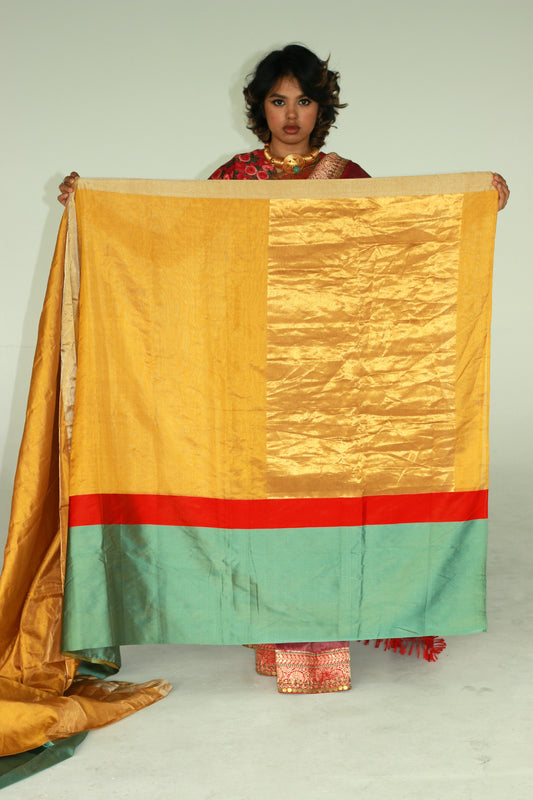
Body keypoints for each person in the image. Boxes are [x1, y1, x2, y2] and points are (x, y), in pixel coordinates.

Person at [57, 44, 510, 694]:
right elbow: (177, 247)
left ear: (320, 107)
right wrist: (95, 210)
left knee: (322, 494)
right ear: (259, 106)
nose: (290, 113)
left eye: (302, 100)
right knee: (259, 499)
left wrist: (471, 206)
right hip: (245, 365)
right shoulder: (234, 177)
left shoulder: (346, 175)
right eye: (278, 100)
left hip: (328, 367)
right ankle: (271, 622)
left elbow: (395, 241)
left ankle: (325, 622)